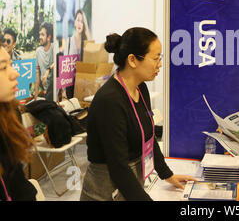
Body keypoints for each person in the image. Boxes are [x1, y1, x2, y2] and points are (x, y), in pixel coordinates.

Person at [80, 27, 196, 201]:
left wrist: (167, 175)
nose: (160, 64)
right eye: (156, 58)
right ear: (133, 60)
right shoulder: (109, 101)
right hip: (105, 192)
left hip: (130, 187)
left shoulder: (140, 87)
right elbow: (118, 167)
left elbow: (148, 136)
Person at [0, 46, 36, 201]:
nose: (15, 73)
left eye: (10, 64)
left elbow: (18, 182)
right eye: (3, 67)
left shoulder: (9, 113)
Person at [34, 22, 54, 102]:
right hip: (46, 92)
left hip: (54, 89)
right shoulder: (38, 51)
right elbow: (37, 73)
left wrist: (47, 71)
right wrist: (36, 94)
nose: (40, 37)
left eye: (42, 35)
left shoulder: (54, 47)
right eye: (40, 34)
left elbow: (57, 63)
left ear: (49, 37)